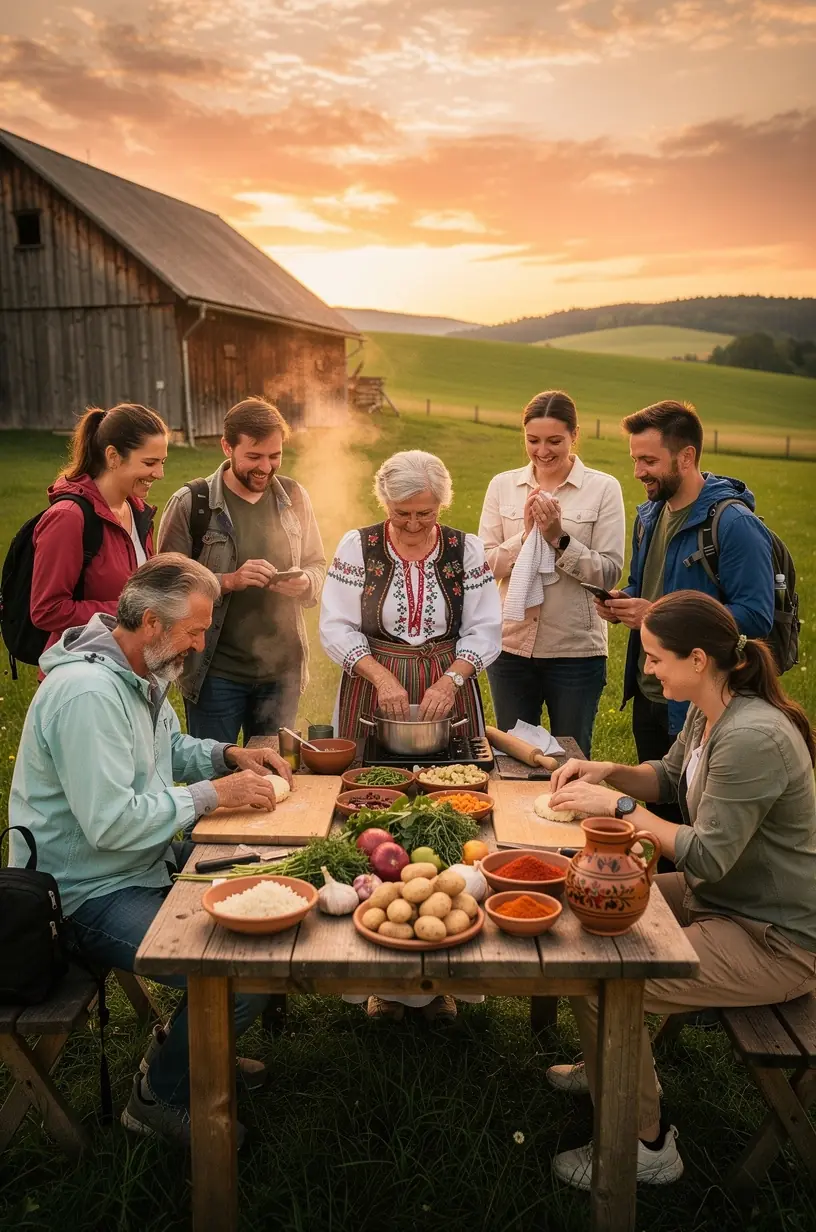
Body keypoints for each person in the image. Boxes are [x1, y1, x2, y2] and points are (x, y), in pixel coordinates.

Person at [9, 554, 295, 1145]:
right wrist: (213, 795)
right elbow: (111, 824)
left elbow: (169, 749)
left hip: (139, 865)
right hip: (84, 894)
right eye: (194, 630)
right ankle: (158, 1097)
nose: (200, 644)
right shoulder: (87, 695)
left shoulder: (137, 670)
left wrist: (226, 756)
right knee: (245, 970)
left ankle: (193, 1045)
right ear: (151, 622)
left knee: (270, 893)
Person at [544, 590, 816, 1190]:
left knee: (602, 977)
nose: (646, 668)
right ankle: (609, 1062)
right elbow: (668, 778)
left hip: (775, 940)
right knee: (580, 917)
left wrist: (617, 806)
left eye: (654, 657)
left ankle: (644, 1143)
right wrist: (608, 772)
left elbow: (709, 857)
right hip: (720, 902)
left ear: (697, 659)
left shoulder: (752, 737)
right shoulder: (710, 707)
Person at [320, 449, 502, 1023]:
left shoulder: (466, 550)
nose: (415, 524)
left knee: (452, 818)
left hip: (450, 681)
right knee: (369, 816)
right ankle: (373, 976)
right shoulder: (358, 547)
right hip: (370, 682)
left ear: (441, 505)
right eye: (403, 514)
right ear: (385, 504)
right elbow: (336, 624)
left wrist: (454, 679)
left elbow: (485, 627)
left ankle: (445, 974)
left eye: (426, 513)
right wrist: (378, 676)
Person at [596, 400, 774, 770]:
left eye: (649, 461)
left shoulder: (735, 525)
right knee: (655, 798)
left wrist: (655, 614)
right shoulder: (649, 516)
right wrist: (623, 602)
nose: (638, 472)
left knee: (694, 805)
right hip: (649, 691)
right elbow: (644, 584)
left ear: (686, 457)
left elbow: (757, 615)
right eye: (635, 460)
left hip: (702, 702)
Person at [158, 397, 326, 743]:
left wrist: (306, 582)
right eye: (254, 456)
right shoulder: (192, 503)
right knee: (215, 771)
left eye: (275, 455)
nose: (265, 467)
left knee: (275, 771)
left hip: (282, 674)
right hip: (215, 674)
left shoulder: (294, 496)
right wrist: (227, 581)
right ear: (227, 447)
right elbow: (164, 586)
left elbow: (317, 564)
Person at [478, 390, 625, 756]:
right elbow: (482, 566)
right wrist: (525, 537)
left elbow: (608, 573)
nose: (543, 451)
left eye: (554, 441)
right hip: (510, 647)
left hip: (575, 651)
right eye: (533, 440)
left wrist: (559, 538)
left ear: (575, 435)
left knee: (571, 758)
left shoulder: (603, 488)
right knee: (513, 757)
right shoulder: (502, 485)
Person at [30, 403, 167, 652]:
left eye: (162, 462)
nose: (159, 474)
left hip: (127, 663)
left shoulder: (138, 513)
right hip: (82, 667)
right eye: (150, 463)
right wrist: (129, 611)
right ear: (113, 456)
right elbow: (47, 610)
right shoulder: (68, 518)